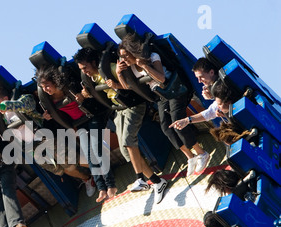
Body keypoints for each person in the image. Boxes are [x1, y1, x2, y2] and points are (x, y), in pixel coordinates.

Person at [0, 86, 97, 198]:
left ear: (5, 98)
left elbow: (24, 104)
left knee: (71, 161)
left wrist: (3, 107)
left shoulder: (23, 100)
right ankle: (87, 178)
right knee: (60, 169)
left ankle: (100, 171)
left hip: (44, 137)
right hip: (32, 148)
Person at [74, 47, 168, 204]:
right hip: (118, 110)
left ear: (93, 62)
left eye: (85, 67)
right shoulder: (93, 78)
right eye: (81, 69)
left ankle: (140, 179)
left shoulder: (110, 68)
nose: (85, 71)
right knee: (126, 151)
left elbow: (130, 86)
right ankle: (157, 182)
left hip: (133, 106)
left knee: (129, 142)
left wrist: (117, 78)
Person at [117, 33, 210, 176]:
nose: (123, 59)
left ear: (133, 52)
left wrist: (145, 67)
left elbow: (161, 78)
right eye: (121, 57)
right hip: (161, 95)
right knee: (166, 127)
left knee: (177, 121)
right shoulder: (131, 67)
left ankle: (201, 152)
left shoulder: (152, 57)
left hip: (174, 89)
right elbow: (129, 87)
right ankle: (190, 156)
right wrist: (119, 74)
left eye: (125, 56)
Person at [34, 65, 117, 203]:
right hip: (80, 124)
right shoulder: (49, 100)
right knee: (89, 154)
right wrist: (47, 117)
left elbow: (88, 92)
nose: (45, 90)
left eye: (47, 86)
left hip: (92, 115)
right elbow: (54, 118)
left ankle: (111, 185)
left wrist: (84, 95)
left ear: (54, 82)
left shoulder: (70, 86)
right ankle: (101, 187)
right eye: (43, 88)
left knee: (96, 150)